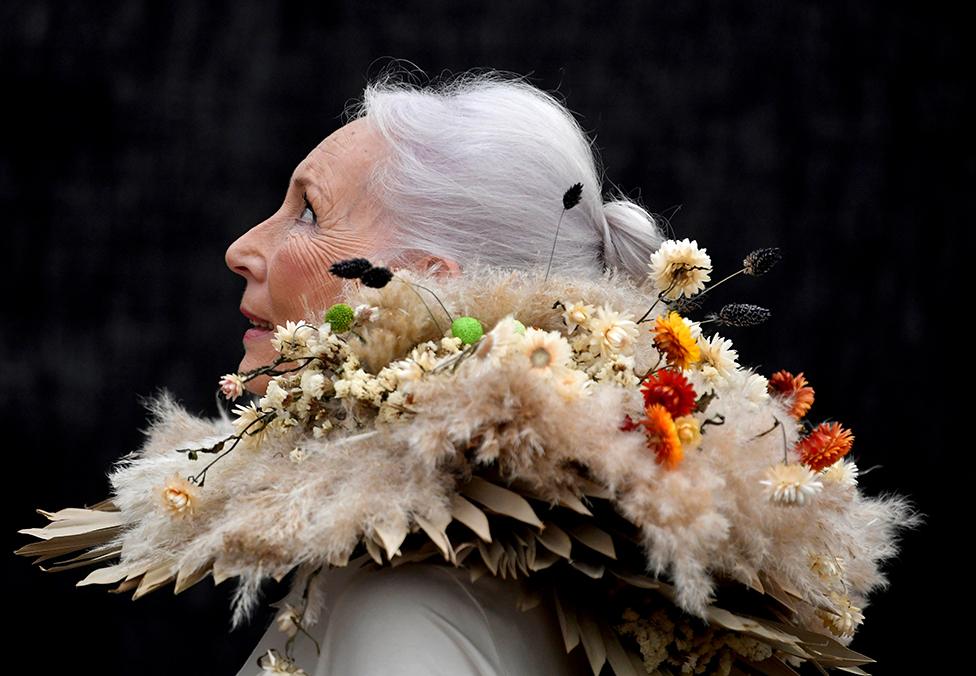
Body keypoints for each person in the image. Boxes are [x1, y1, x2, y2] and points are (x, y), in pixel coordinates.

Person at [225, 68, 664, 675]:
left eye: (308, 213)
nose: (242, 250)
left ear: (428, 289)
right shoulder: (474, 574)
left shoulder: (404, 607)